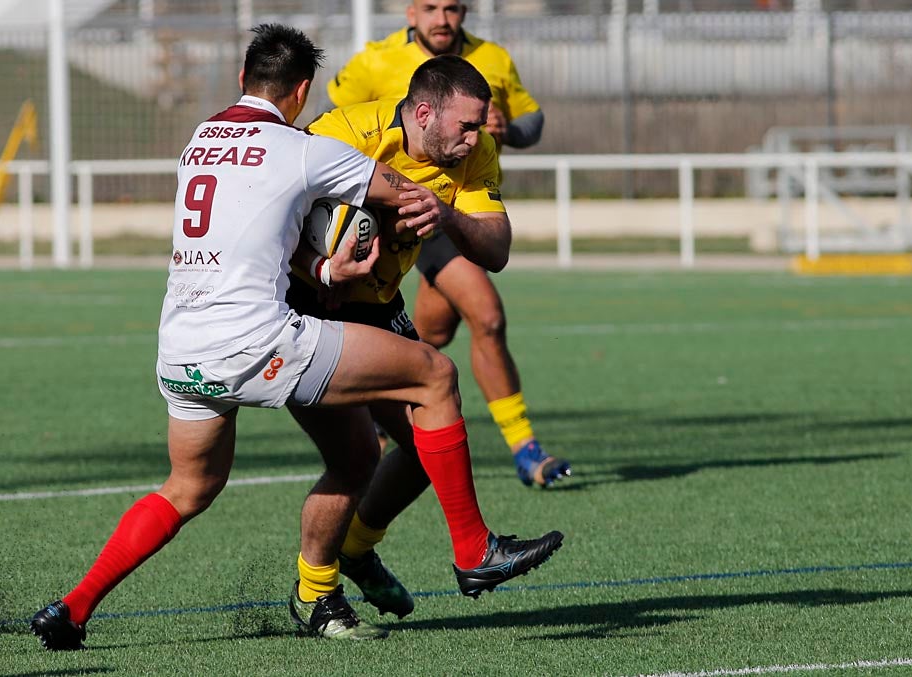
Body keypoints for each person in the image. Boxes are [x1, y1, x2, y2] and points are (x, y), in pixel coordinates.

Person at [29, 24, 563, 650]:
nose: (476, 140)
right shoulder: (305, 147)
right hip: (263, 339)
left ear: (241, 80)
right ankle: (473, 549)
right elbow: (395, 192)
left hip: (182, 346)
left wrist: (325, 264)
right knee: (436, 376)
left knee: (193, 486)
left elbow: (251, 228)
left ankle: (73, 608)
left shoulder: (199, 142)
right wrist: (420, 212)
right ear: (303, 91)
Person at [292, 54, 529, 620]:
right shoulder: (344, 132)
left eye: (480, 126)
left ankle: (355, 552)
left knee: (429, 440)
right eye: (465, 126)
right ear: (423, 113)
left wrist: (446, 216)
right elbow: (276, 207)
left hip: (380, 304)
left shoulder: (476, 153)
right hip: (306, 306)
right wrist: (317, 270)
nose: (476, 138)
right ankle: (318, 586)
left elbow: (496, 250)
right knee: (351, 460)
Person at [327, 0, 571, 489]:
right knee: (487, 315)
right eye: (431, 8)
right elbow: (330, 130)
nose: (443, 19)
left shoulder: (494, 59)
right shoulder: (375, 59)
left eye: (453, 8)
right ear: (411, 12)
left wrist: (509, 131)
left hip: (466, 210)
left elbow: (532, 121)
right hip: (413, 216)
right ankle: (524, 446)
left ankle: (384, 409)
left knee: (430, 336)